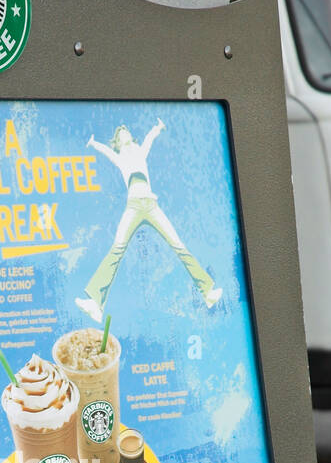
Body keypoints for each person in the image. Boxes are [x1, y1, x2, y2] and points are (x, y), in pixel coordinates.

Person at [76, 119, 222, 323]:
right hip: (133, 205)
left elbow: (149, 139)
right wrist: (93, 143)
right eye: (120, 133)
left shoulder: (140, 151)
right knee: (117, 248)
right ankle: (94, 302)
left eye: (126, 130)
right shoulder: (119, 157)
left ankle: (207, 292)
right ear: (117, 141)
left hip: (152, 206)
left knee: (178, 244)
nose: (124, 131)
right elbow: (106, 152)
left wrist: (158, 128)